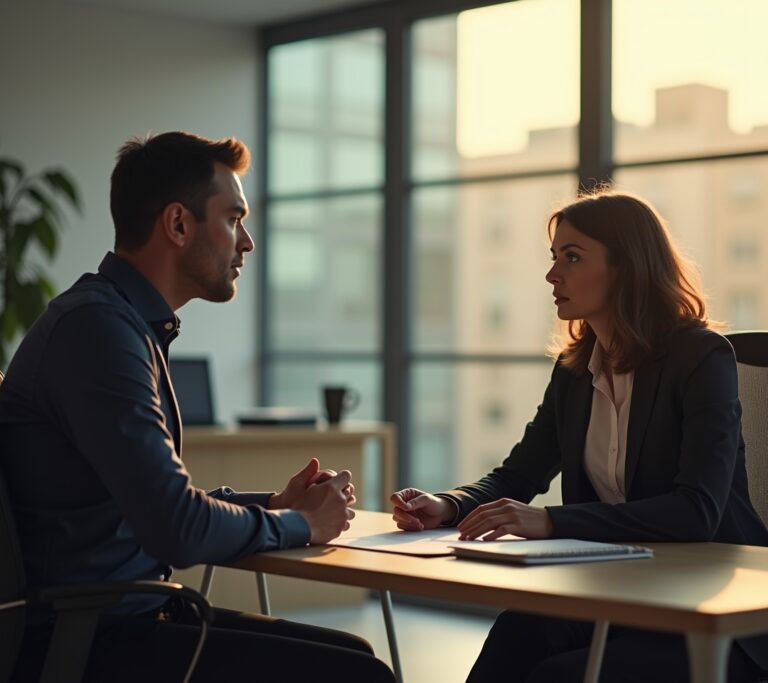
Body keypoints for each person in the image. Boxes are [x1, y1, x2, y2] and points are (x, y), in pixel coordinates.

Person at [0, 131, 396, 682]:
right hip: (88, 643)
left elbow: (151, 505)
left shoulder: (116, 323)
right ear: (179, 225)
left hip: (119, 620)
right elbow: (176, 528)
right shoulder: (98, 331)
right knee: (356, 676)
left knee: (355, 659)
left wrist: (275, 505)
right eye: (234, 218)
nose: (247, 242)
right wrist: (298, 524)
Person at [391, 190, 768, 683]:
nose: (553, 275)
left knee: (561, 675)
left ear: (626, 267)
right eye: (554, 259)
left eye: (571, 258)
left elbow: (696, 512)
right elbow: (520, 474)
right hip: (624, 591)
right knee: (517, 634)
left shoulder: (700, 357)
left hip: (717, 607)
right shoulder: (574, 372)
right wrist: (449, 504)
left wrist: (550, 522)